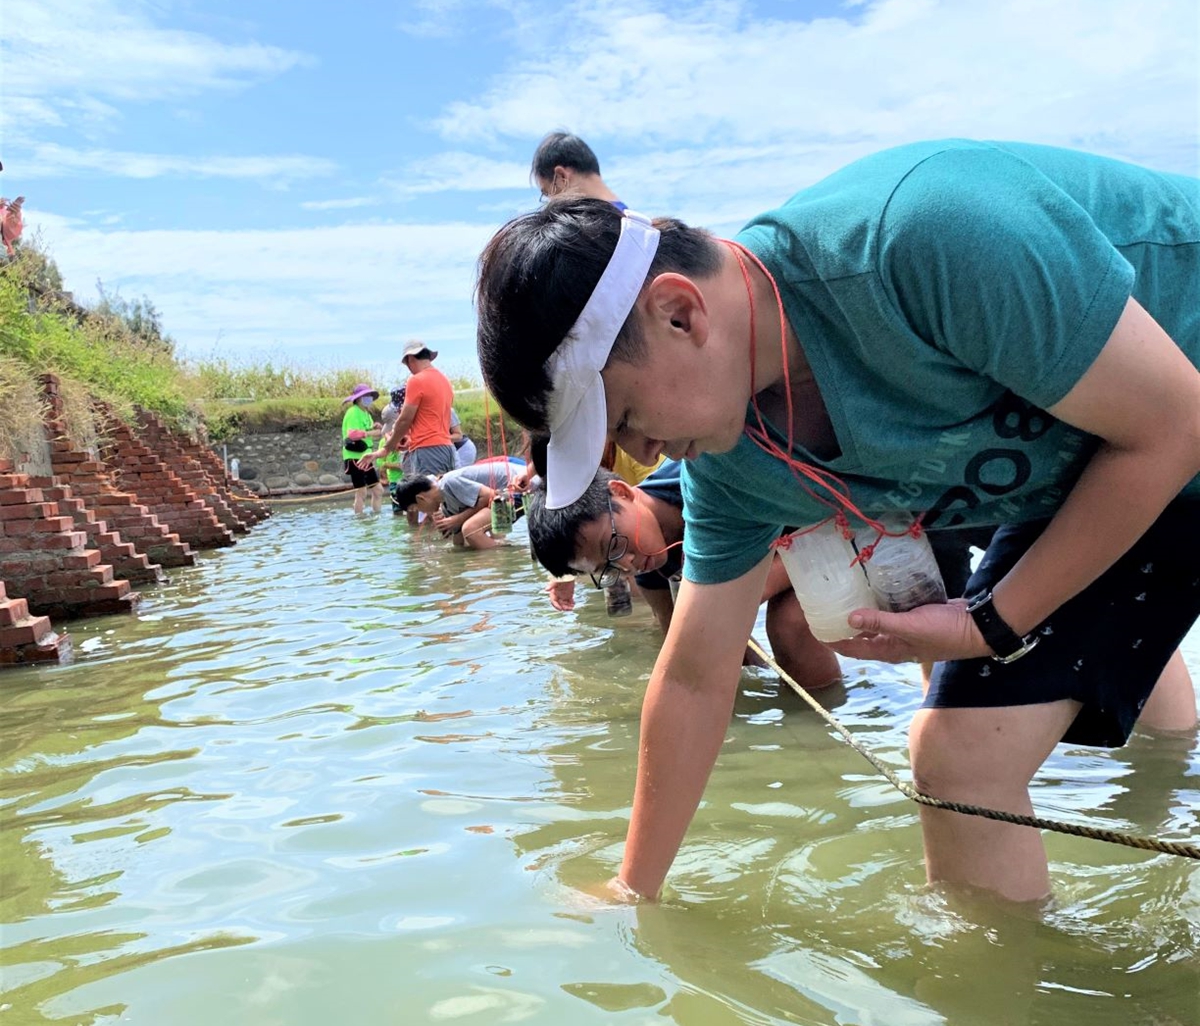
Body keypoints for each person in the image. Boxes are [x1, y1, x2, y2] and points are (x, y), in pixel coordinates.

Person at [475, 139, 1200, 905]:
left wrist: (989, 623)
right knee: (959, 761)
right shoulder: (731, 457)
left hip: (1168, 408)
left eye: (623, 416)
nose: (639, 452)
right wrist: (633, 888)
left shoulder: (921, 235)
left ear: (680, 312)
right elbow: (693, 677)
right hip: (1105, 475)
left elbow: (1173, 422)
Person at [527, 463, 842, 691]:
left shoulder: (708, 476)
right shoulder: (654, 576)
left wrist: (732, 598)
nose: (627, 565)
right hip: (784, 556)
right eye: (607, 569)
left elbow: (823, 509)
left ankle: (826, 730)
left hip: (828, 527)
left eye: (612, 543)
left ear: (621, 493)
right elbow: (688, 649)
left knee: (789, 623)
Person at [360, 340, 455, 524]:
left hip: (427, 450)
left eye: (407, 364)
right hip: (445, 447)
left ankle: (423, 551)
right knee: (445, 503)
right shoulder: (444, 380)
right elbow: (431, 418)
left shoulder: (416, 380)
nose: (408, 369)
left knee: (428, 505)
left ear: (411, 359)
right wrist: (408, 437)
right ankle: (444, 548)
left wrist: (386, 449)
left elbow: (404, 419)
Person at [393, 459, 527, 550]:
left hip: (519, 488)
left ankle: (505, 560)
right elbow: (458, 540)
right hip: (501, 498)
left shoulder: (448, 483)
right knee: (462, 538)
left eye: (416, 508)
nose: (422, 512)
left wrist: (458, 519)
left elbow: (489, 495)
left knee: (471, 530)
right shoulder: (446, 503)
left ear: (421, 498)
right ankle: (501, 550)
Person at [532, 131, 625, 207]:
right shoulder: (632, 222)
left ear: (561, 176)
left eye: (548, 193)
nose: (550, 202)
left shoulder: (581, 227)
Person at [339, 383, 383, 515]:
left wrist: (374, 428)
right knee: (361, 491)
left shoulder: (366, 413)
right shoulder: (353, 412)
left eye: (369, 395)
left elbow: (367, 433)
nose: (368, 398)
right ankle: (360, 519)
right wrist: (371, 432)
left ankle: (376, 517)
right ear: (358, 398)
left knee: (378, 490)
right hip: (355, 456)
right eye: (365, 396)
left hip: (366, 456)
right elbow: (352, 434)